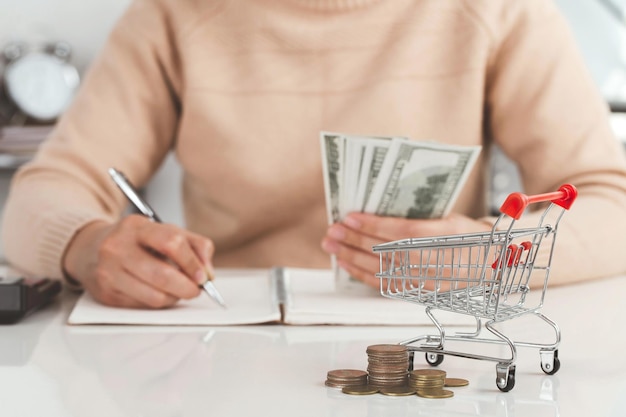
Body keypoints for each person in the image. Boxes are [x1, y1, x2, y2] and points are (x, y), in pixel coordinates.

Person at [3, 0, 626, 309]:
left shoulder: (500, 10)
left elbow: (610, 202)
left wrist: (491, 255)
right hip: (222, 337)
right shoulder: (173, 14)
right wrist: (87, 245)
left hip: (420, 336)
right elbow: (47, 188)